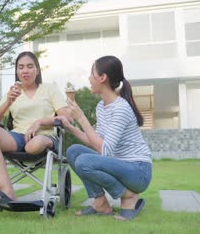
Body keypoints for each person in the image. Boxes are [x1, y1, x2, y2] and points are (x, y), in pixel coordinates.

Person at [55, 55, 152, 221]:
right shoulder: (101, 106)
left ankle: (128, 197)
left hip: (138, 171)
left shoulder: (120, 108)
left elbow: (104, 151)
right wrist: (72, 128)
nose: (89, 78)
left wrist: (82, 118)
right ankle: (100, 202)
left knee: (84, 161)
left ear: (102, 77)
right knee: (74, 152)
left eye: (91, 74)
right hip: (120, 165)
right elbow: (96, 142)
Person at [0, 51, 70, 205]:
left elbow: (67, 117)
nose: (25, 71)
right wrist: (8, 101)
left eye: (30, 66)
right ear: (17, 71)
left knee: (34, 145)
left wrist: (39, 122)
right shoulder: (13, 92)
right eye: (21, 67)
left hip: (45, 136)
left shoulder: (49, 89)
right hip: (18, 137)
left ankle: (8, 190)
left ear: (37, 70)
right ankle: (7, 191)